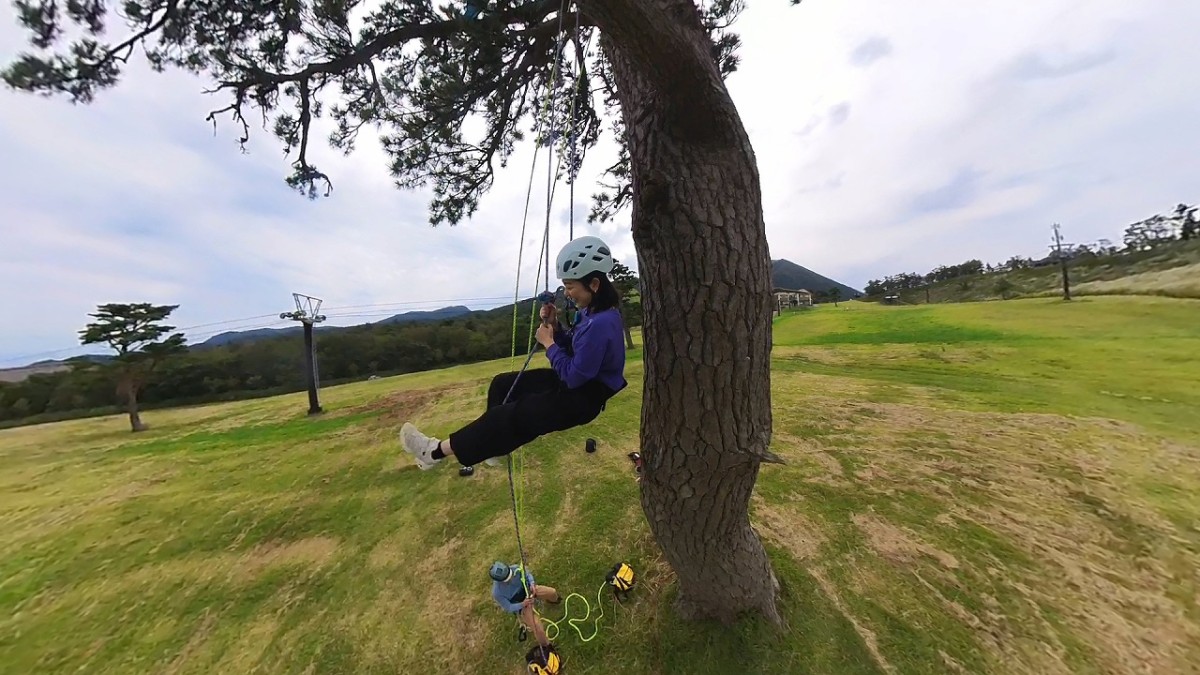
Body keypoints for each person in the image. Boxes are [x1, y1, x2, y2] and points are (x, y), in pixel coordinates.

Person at [399, 235, 628, 470]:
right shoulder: (592, 312)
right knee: (502, 385)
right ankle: (491, 445)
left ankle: (432, 452)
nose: (567, 293)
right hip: (574, 383)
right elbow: (573, 348)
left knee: (512, 417)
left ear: (594, 285)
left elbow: (575, 375)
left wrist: (548, 344)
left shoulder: (601, 323)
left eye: (570, 286)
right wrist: (556, 327)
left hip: (582, 398)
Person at [489, 561, 560, 648]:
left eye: (511, 575)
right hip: (521, 604)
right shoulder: (497, 593)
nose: (511, 578)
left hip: (529, 590)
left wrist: (532, 584)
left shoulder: (515, 568)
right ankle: (547, 646)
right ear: (499, 581)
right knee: (537, 627)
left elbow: (527, 574)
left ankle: (554, 600)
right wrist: (523, 604)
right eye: (507, 579)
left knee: (552, 592)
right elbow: (509, 607)